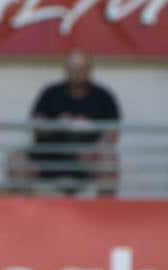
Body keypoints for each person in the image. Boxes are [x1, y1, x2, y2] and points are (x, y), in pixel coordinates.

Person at [10, 50, 121, 196]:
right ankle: (27, 212)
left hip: (86, 159)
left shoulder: (103, 96)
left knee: (110, 162)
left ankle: (104, 214)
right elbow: (36, 124)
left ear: (90, 70)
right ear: (66, 70)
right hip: (50, 156)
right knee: (16, 159)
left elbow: (112, 132)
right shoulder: (51, 93)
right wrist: (55, 124)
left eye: (82, 70)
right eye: (74, 70)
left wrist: (96, 149)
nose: (78, 74)